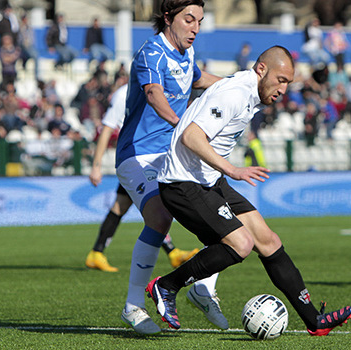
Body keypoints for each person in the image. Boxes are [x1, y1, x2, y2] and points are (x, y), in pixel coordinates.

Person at [144, 46, 351, 337]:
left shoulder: (246, 90)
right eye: (280, 80)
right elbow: (192, 136)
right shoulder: (236, 93)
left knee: (268, 241)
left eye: (288, 84)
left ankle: (314, 321)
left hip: (208, 180)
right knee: (241, 244)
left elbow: (211, 84)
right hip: (183, 183)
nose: (283, 89)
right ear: (261, 70)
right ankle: (166, 286)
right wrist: (233, 170)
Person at [116, 0, 223, 335]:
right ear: (168, 17)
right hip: (139, 155)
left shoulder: (186, 53)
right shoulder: (151, 53)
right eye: (189, 20)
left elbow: (198, 77)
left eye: (200, 21)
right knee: (160, 217)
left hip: (174, 152)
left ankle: (203, 288)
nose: (195, 28)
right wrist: (182, 125)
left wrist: (240, 86)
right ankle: (133, 306)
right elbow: (153, 94)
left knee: (220, 213)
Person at [86, 83, 199, 272]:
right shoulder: (125, 94)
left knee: (120, 206)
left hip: (144, 156)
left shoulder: (156, 90)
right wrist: (96, 166)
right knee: (155, 205)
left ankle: (96, 253)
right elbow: (107, 129)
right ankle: (172, 253)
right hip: (135, 159)